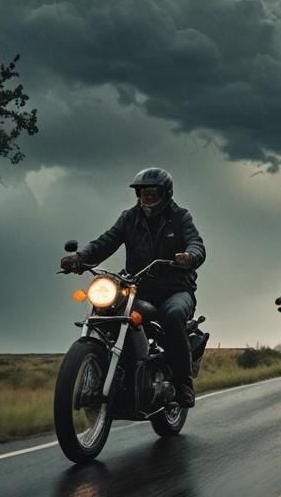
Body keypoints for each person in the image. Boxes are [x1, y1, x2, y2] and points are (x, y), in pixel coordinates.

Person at [60, 167, 206, 408]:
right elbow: (106, 241)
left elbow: (196, 243)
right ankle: (119, 375)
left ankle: (183, 383)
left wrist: (190, 256)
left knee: (172, 316)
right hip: (140, 287)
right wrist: (80, 258)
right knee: (110, 312)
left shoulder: (180, 216)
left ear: (165, 194)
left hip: (176, 288)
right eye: (142, 194)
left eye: (151, 193)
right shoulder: (130, 217)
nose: (146, 198)